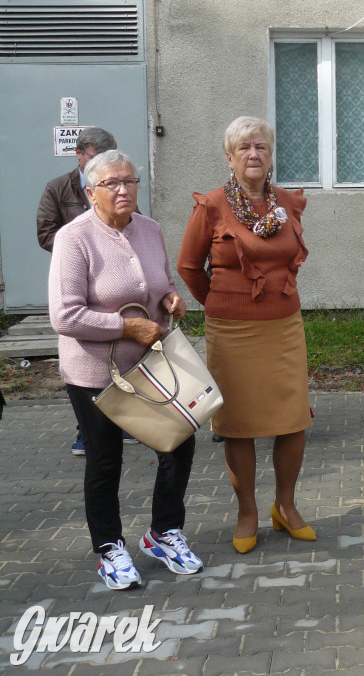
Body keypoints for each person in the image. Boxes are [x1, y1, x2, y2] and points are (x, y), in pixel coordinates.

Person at [49, 149, 201, 590]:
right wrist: (127, 326)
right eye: (111, 183)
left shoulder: (150, 230)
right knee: (104, 460)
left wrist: (170, 298)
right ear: (90, 192)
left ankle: (163, 532)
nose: (122, 190)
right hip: (95, 373)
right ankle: (109, 546)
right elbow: (65, 316)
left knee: (178, 443)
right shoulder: (74, 239)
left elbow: (160, 282)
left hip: (151, 367)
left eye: (129, 181)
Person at [177, 116, 315, 553]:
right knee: (238, 427)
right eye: (244, 148)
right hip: (232, 332)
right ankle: (247, 513)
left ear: (271, 155)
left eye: (261, 147)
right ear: (229, 156)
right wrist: (220, 302)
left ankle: (286, 507)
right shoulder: (212, 206)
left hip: (284, 328)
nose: (253, 154)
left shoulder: (288, 204)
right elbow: (187, 266)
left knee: (293, 421)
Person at [37, 126, 119, 456]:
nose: (107, 165)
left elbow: (133, 225)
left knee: (117, 353)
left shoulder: (116, 186)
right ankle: (86, 429)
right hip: (76, 283)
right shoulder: (59, 188)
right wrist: (85, 246)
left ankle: (122, 421)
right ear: (80, 154)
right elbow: (45, 234)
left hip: (113, 286)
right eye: (98, 158)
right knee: (85, 358)